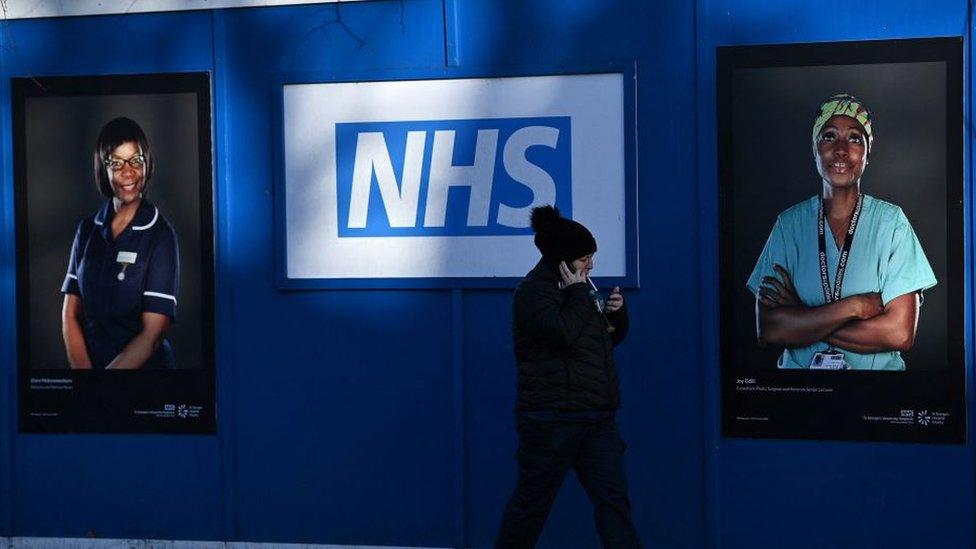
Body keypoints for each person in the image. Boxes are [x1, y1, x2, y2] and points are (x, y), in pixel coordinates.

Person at [748, 94, 936, 370]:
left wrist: (803, 317)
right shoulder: (789, 225)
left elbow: (900, 333)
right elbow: (769, 329)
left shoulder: (891, 223)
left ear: (868, 152)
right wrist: (854, 307)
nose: (841, 150)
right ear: (814, 149)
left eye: (855, 138)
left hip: (876, 394)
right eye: (829, 137)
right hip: (801, 393)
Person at [495, 205, 640, 548]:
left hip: (596, 418)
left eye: (592, 256)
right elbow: (561, 334)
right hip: (551, 420)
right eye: (584, 257)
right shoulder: (532, 293)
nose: (590, 264)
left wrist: (614, 317)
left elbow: (599, 342)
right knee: (532, 505)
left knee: (614, 503)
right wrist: (578, 297)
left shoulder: (581, 289)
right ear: (562, 258)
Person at [60, 117, 179, 369]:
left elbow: (152, 336)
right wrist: (86, 381)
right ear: (103, 168)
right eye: (116, 162)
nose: (129, 171)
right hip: (92, 379)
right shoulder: (87, 230)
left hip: (145, 382)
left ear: (147, 163)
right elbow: (70, 314)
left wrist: (105, 385)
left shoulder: (160, 236)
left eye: (136, 160)